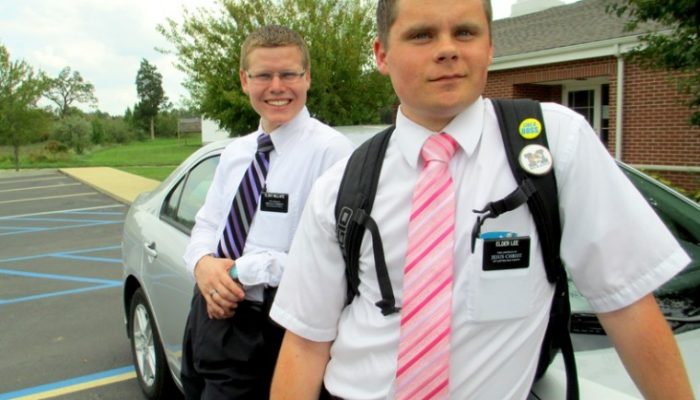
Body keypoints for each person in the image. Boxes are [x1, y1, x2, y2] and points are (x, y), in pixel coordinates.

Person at [268, 0, 695, 399]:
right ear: (382, 54)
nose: (448, 50)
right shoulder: (342, 184)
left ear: (490, 47)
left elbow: (625, 301)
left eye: (466, 32)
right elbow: (306, 342)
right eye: (422, 35)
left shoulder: (554, 147)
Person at [180, 24, 353, 399]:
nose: (277, 86)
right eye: (263, 75)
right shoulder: (235, 153)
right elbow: (207, 224)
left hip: (276, 327)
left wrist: (242, 270)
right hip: (209, 313)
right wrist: (203, 266)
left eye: (289, 74)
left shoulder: (333, 154)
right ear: (245, 80)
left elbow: (334, 262)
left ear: (307, 77)